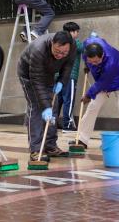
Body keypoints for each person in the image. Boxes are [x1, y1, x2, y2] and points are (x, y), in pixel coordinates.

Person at [17, 31, 76, 161]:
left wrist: (62, 81)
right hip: (29, 75)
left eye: (64, 53)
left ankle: (50, 145)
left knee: (53, 107)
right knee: (37, 108)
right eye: (57, 51)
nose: (60, 55)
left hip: (49, 74)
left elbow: (68, 65)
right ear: (52, 44)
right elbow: (36, 80)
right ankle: (36, 149)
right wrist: (45, 106)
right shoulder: (39, 49)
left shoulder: (72, 46)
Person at [69, 37, 119, 149]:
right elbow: (89, 59)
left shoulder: (111, 62)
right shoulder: (87, 47)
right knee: (93, 107)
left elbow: (102, 83)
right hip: (103, 79)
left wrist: (89, 95)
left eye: (96, 61)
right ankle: (82, 139)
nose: (94, 63)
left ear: (102, 55)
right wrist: (87, 65)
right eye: (91, 61)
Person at [55, 22, 83, 133]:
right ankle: (67, 125)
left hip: (58, 76)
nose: (77, 34)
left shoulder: (60, 43)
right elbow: (83, 48)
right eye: (77, 32)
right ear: (71, 32)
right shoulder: (74, 42)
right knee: (69, 101)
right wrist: (92, 39)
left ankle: (53, 123)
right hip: (70, 76)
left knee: (58, 101)